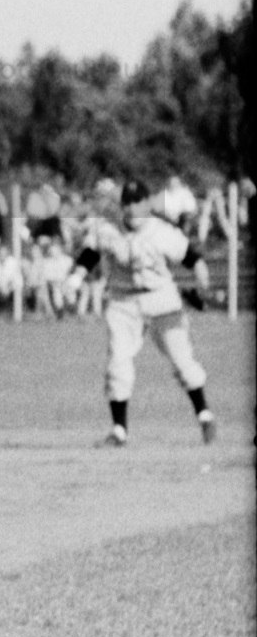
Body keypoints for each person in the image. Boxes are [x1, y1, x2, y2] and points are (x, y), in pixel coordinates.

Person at [68, 180, 216, 447]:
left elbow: (193, 259)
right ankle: (119, 431)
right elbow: (90, 253)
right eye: (127, 202)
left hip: (161, 299)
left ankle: (204, 415)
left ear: (147, 203)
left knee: (183, 362)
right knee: (118, 362)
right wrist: (76, 277)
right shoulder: (108, 229)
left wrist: (202, 284)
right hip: (123, 302)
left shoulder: (162, 232)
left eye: (137, 202)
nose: (131, 208)